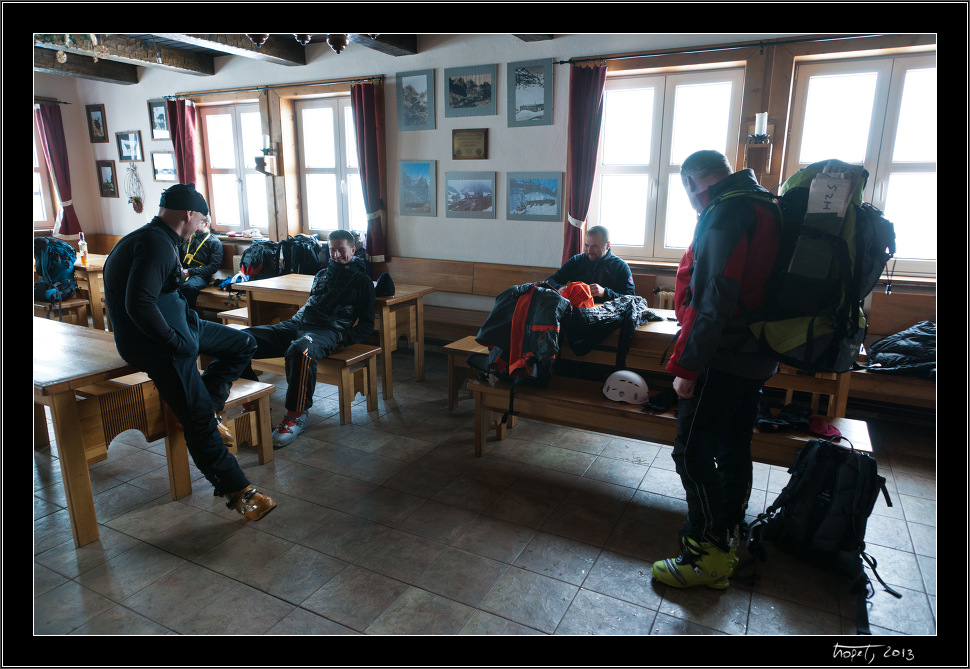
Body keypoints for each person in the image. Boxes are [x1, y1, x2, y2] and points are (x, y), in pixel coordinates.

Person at [102, 183, 276, 521]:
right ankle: (238, 491)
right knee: (196, 420)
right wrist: (173, 341)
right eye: (202, 219)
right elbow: (138, 304)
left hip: (183, 326)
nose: (202, 226)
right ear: (188, 215)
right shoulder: (155, 243)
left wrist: (177, 286)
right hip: (160, 346)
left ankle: (210, 407)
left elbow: (153, 289)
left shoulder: (155, 238)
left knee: (243, 343)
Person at [650, 150, 781, 589]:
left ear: (691, 182)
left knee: (691, 451)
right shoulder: (766, 203)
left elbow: (715, 299)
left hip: (721, 357)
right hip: (756, 355)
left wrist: (687, 366)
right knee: (733, 447)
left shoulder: (724, 212)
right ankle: (728, 537)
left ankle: (705, 554)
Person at [240, 229, 376, 448]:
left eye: (342, 250)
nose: (336, 255)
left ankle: (295, 416)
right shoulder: (321, 274)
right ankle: (251, 400)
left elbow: (368, 324)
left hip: (328, 332)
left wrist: (342, 336)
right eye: (332, 250)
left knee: (300, 350)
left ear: (353, 249)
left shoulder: (362, 282)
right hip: (296, 324)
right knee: (240, 339)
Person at [546, 225, 634, 302]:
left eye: (595, 246)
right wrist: (559, 288)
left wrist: (605, 293)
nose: (589, 251)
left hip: (607, 315)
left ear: (607, 245)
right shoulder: (576, 261)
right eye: (587, 246)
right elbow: (550, 280)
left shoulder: (620, 266)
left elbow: (631, 299)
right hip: (577, 313)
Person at [178, 220, 223, 308]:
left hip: (200, 275)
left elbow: (213, 267)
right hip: (182, 271)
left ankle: (188, 316)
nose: (194, 225)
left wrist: (190, 271)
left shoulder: (214, 242)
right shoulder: (188, 238)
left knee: (188, 287)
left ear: (206, 224)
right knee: (166, 282)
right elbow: (178, 257)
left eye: (197, 222)